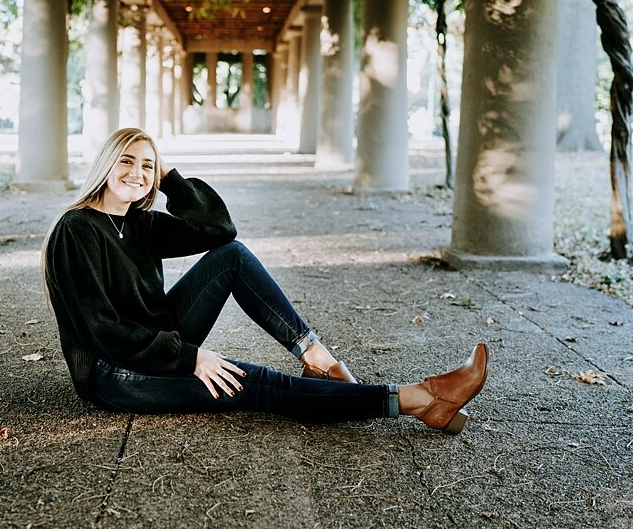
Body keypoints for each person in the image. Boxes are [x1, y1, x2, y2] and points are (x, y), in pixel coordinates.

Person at [42, 128, 488, 433]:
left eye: (146, 166)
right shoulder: (77, 230)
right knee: (253, 383)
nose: (136, 174)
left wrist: (170, 180)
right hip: (116, 371)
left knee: (231, 257)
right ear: (104, 164)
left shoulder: (139, 223)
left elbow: (219, 231)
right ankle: (419, 399)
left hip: (157, 340)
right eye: (125, 162)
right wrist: (190, 358)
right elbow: (101, 330)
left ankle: (318, 356)